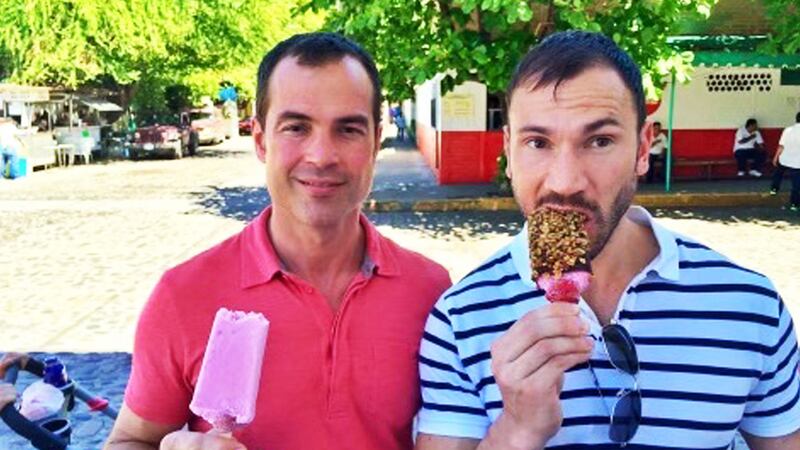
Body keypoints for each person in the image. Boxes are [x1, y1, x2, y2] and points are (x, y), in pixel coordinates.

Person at [415, 31, 800, 450]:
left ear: (642, 147)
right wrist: (518, 429)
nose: (565, 182)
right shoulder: (458, 319)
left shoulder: (750, 305)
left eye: (599, 141)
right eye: (537, 142)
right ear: (508, 151)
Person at [105, 32, 451, 450]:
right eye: (296, 127)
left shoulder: (430, 290)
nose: (321, 155)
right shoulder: (183, 295)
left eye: (348, 129)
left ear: (377, 142)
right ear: (260, 140)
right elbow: (130, 440)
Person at [770, 112, 800, 211]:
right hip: (797, 163)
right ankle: (794, 205)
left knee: (778, 173)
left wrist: (775, 157)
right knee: (796, 185)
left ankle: (774, 189)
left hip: (785, 158)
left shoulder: (788, 130)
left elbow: (781, 146)